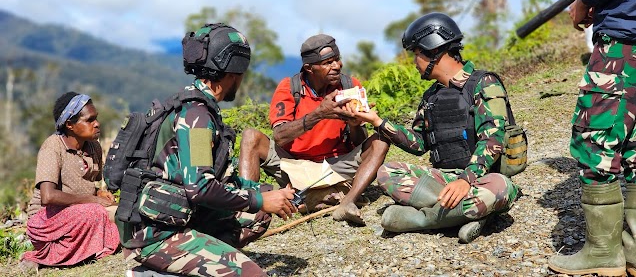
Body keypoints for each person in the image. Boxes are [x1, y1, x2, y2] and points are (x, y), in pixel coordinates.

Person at [120, 23, 296, 277]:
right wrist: (259, 199)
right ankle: (158, 271)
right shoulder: (197, 117)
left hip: (180, 215)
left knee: (257, 215)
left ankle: (203, 259)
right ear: (233, 70)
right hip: (157, 235)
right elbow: (200, 187)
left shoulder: (195, 104)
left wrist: (267, 195)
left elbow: (212, 182)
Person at [350, 12, 520, 243]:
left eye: (417, 54)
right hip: (444, 180)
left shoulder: (484, 83)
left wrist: (465, 180)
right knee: (387, 173)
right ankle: (466, 215)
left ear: (433, 50)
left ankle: (422, 219)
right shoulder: (431, 96)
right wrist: (377, 121)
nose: (414, 62)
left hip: (483, 178)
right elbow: (419, 143)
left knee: (499, 189)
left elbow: (493, 140)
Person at [548, 0, 636, 276]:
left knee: (595, 139)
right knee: (635, 145)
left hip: (625, 39)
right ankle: (635, 251)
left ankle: (603, 252)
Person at [239, 34, 389, 225]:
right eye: (328, 62)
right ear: (310, 68)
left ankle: (347, 202)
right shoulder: (289, 88)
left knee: (380, 140)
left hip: (336, 165)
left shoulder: (350, 86)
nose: (337, 66)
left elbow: (359, 142)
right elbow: (279, 136)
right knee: (250, 136)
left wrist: (354, 124)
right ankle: (248, 206)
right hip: (294, 163)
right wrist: (319, 113)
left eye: (337, 59)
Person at [20, 92, 119, 270]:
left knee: (122, 212)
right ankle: (46, 254)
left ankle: (82, 249)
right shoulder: (53, 147)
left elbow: (87, 186)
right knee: (97, 212)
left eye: (96, 118)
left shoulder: (94, 146)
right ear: (70, 125)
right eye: (90, 120)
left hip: (81, 212)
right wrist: (94, 200)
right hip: (47, 222)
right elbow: (48, 197)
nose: (97, 124)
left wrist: (99, 193)